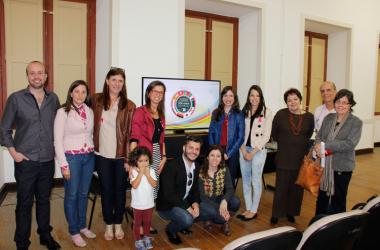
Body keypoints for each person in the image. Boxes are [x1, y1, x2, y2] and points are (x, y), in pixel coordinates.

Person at [0, 61, 61, 250]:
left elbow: (58, 127)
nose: (37, 76)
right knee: (24, 203)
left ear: (46, 76)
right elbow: (4, 129)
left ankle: (44, 235)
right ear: (27, 75)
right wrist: (13, 152)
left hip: (47, 160)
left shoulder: (54, 99)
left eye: (40, 73)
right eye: (32, 73)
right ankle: (21, 242)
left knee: (44, 200)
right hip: (25, 161)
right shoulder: (16, 98)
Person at [92, 67, 136, 240]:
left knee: (119, 191)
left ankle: (118, 224)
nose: (117, 83)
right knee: (106, 191)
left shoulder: (129, 105)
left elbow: (132, 134)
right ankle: (108, 225)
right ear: (107, 81)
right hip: (101, 155)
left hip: (120, 158)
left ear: (123, 84)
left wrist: (128, 159)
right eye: (114, 80)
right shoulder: (96, 100)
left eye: (120, 81)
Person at [54, 80, 95, 247]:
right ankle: (74, 230)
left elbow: (89, 134)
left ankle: (82, 226)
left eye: (83, 92)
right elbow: (57, 140)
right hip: (72, 158)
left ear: (87, 95)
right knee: (72, 194)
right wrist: (63, 165)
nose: (80, 95)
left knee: (84, 194)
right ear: (71, 93)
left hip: (88, 157)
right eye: (76, 91)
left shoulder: (90, 111)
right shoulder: (62, 112)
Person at [314, 89, 362, 215]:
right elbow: (319, 136)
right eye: (338, 101)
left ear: (350, 105)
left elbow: (349, 144)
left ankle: (339, 230)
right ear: (334, 103)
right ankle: (318, 226)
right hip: (324, 166)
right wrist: (318, 146)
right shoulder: (329, 118)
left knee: (338, 201)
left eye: (345, 102)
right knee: (322, 199)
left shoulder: (356, 122)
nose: (341, 105)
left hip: (342, 167)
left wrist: (325, 145)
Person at [270, 88, 314, 224]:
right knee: (281, 187)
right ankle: (277, 213)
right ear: (286, 103)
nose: (292, 102)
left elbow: (309, 134)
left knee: (296, 189)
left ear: (300, 100)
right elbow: (274, 133)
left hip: (300, 158)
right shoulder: (280, 114)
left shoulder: (309, 117)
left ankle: (291, 212)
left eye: (295, 99)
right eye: (289, 100)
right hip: (284, 157)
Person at [156, 136, 202, 245]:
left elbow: (195, 188)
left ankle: (181, 224)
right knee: (188, 219)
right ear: (184, 148)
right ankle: (170, 230)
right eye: (191, 148)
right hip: (167, 206)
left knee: (202, 211)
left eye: (197, 149)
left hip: (183, 201)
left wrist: (196, 204)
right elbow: (169, 194)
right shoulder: (171, 166)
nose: (193, 152)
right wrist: (188, 208)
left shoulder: (196, 165)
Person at [238, 85, 273, 221]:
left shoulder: (267, 112)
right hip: (243, 149)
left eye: (257, 95)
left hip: (257, 151)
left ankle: (254, 210)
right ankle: (248, 208)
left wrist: (252, 153)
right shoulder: (244, 111)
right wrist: (242, 150)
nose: (254, 98)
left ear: (261, 97)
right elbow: (239, 133)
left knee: (255, 180)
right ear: (248, 97)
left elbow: (266, 136)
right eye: (252, 95)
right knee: (245, 180)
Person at [130, 80, 167, 199]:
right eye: (155, 91)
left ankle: (149, 209)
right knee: (143, 186)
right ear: (149, 93)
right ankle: (140, 212)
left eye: (161, 92)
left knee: (153, 184)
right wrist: (132, 162)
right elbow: (134, 138)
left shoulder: (161, 114)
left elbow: (162, 138)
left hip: (157, 153)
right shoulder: (140, 112)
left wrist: (164, 157)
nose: (158, 94)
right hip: (143, 155)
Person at [198, 145, 240, 236]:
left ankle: (224, 220)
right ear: (207, 157)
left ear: (221, 158)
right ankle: (213, 219)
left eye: (218, 156)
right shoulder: (200, 171)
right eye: (212, 155)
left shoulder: (224, 169)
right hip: (205, 200)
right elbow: (201, 196)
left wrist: (224, 201)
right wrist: (219, 208)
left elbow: (230, 188)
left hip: (219, 197)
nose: (215, 158)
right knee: (215, 212)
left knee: (236, 201)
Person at [208, 86, 245, 189]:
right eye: (225, 95)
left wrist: (229, 153)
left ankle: (228, 203)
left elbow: (241, 137)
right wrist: (214, 150)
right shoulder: (216, 112)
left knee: (230, 179)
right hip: (217, 150)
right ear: (222, 97)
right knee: (216, 178)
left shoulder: (239, 114)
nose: (228, 98)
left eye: (231, 96)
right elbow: (211, 132)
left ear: (235, 98)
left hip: (232, 152)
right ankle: (216, 202)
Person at [128, 146, 157, 250]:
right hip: (138, 204)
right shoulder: (133, 172)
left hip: (149, 203)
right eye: (140, 161)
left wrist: (148, 175)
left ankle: (146, 237)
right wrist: (141, 173)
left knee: (148, 222)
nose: (144, 163)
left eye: (146, 160)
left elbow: (154, 184)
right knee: (137, 223)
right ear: (135, 161)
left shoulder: (151, 171)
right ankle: (137, 240)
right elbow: (134, 185)